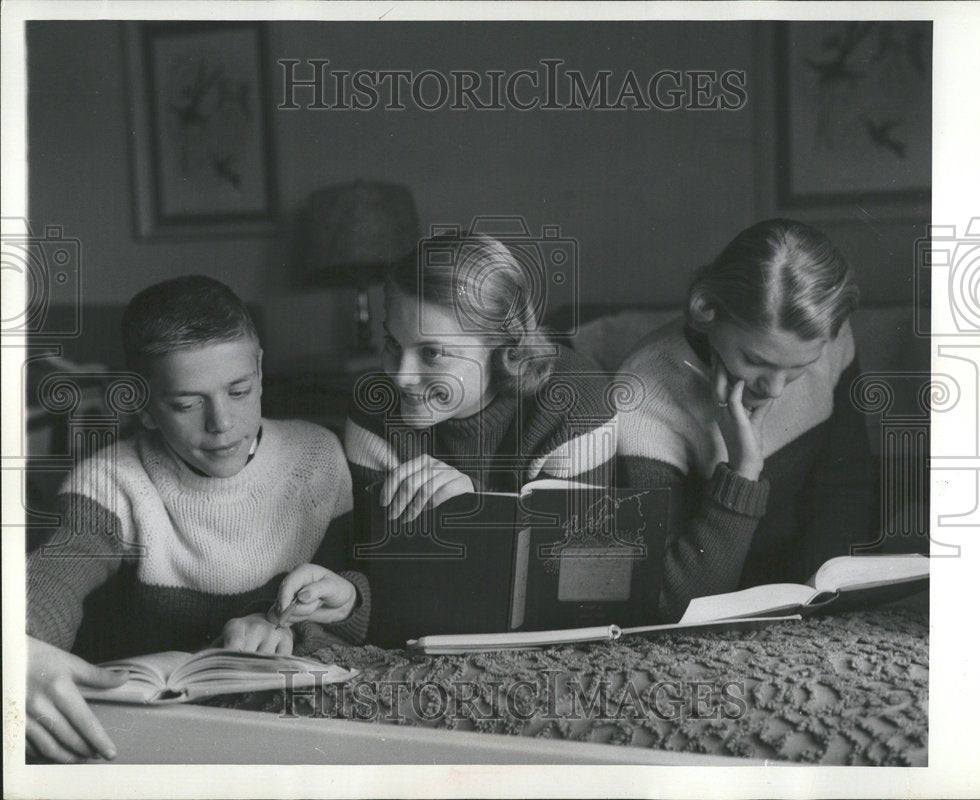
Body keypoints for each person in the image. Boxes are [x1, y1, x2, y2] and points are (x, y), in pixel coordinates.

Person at [26, 275, 369, 763]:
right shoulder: (108, 482)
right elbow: (53, 577)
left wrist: (291, 628)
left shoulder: (318, 456)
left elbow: (343, 598)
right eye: (187, 404)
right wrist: (19, 643)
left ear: (261, 371)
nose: (221, 423)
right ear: (143, 406)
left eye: (239, 390)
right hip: (147, 733)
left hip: (280, 727)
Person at [616, 219, 874, 620]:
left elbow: (845, 487)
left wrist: (823, 599)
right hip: (713, 612)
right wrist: (742, 473)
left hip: (799, 605)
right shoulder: (640, 396)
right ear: (706, 309)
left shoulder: (829, 339)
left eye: (798, 367)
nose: (774, 389)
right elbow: (669, 604)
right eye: (755, 360)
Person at [345, 231, 616, 523]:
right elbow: (375, 558)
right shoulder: (373, 409)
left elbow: (565, 560)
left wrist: (476, 505)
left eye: (432, 353)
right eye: (393, 344)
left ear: (504, 347)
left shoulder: (577, 408)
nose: (400, 376)